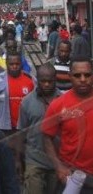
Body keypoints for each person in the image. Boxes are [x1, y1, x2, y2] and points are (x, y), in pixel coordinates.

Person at [41, 56, 93, 193]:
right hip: (71, 177)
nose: (83, 79)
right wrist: (58, 166)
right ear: (69, 76)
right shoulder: (58, 105)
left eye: (87, 75)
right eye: (77, 75)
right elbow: (46, 137)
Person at [16, 63, 61, 194]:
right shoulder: (27, 102)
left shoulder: (64, 101)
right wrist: (18, 160)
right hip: (34, 162)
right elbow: (21, 133)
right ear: (37, 80)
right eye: (43, 81)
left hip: (57, 162)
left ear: (55, 80)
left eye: (50, 81)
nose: (46, 85)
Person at [0, 52, 35, 132]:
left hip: (26, 127)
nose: (14, 66)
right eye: (11, 64)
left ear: (21, 64)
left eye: (17, 64)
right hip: (4, 127)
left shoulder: (31, 80)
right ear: (7, 64)